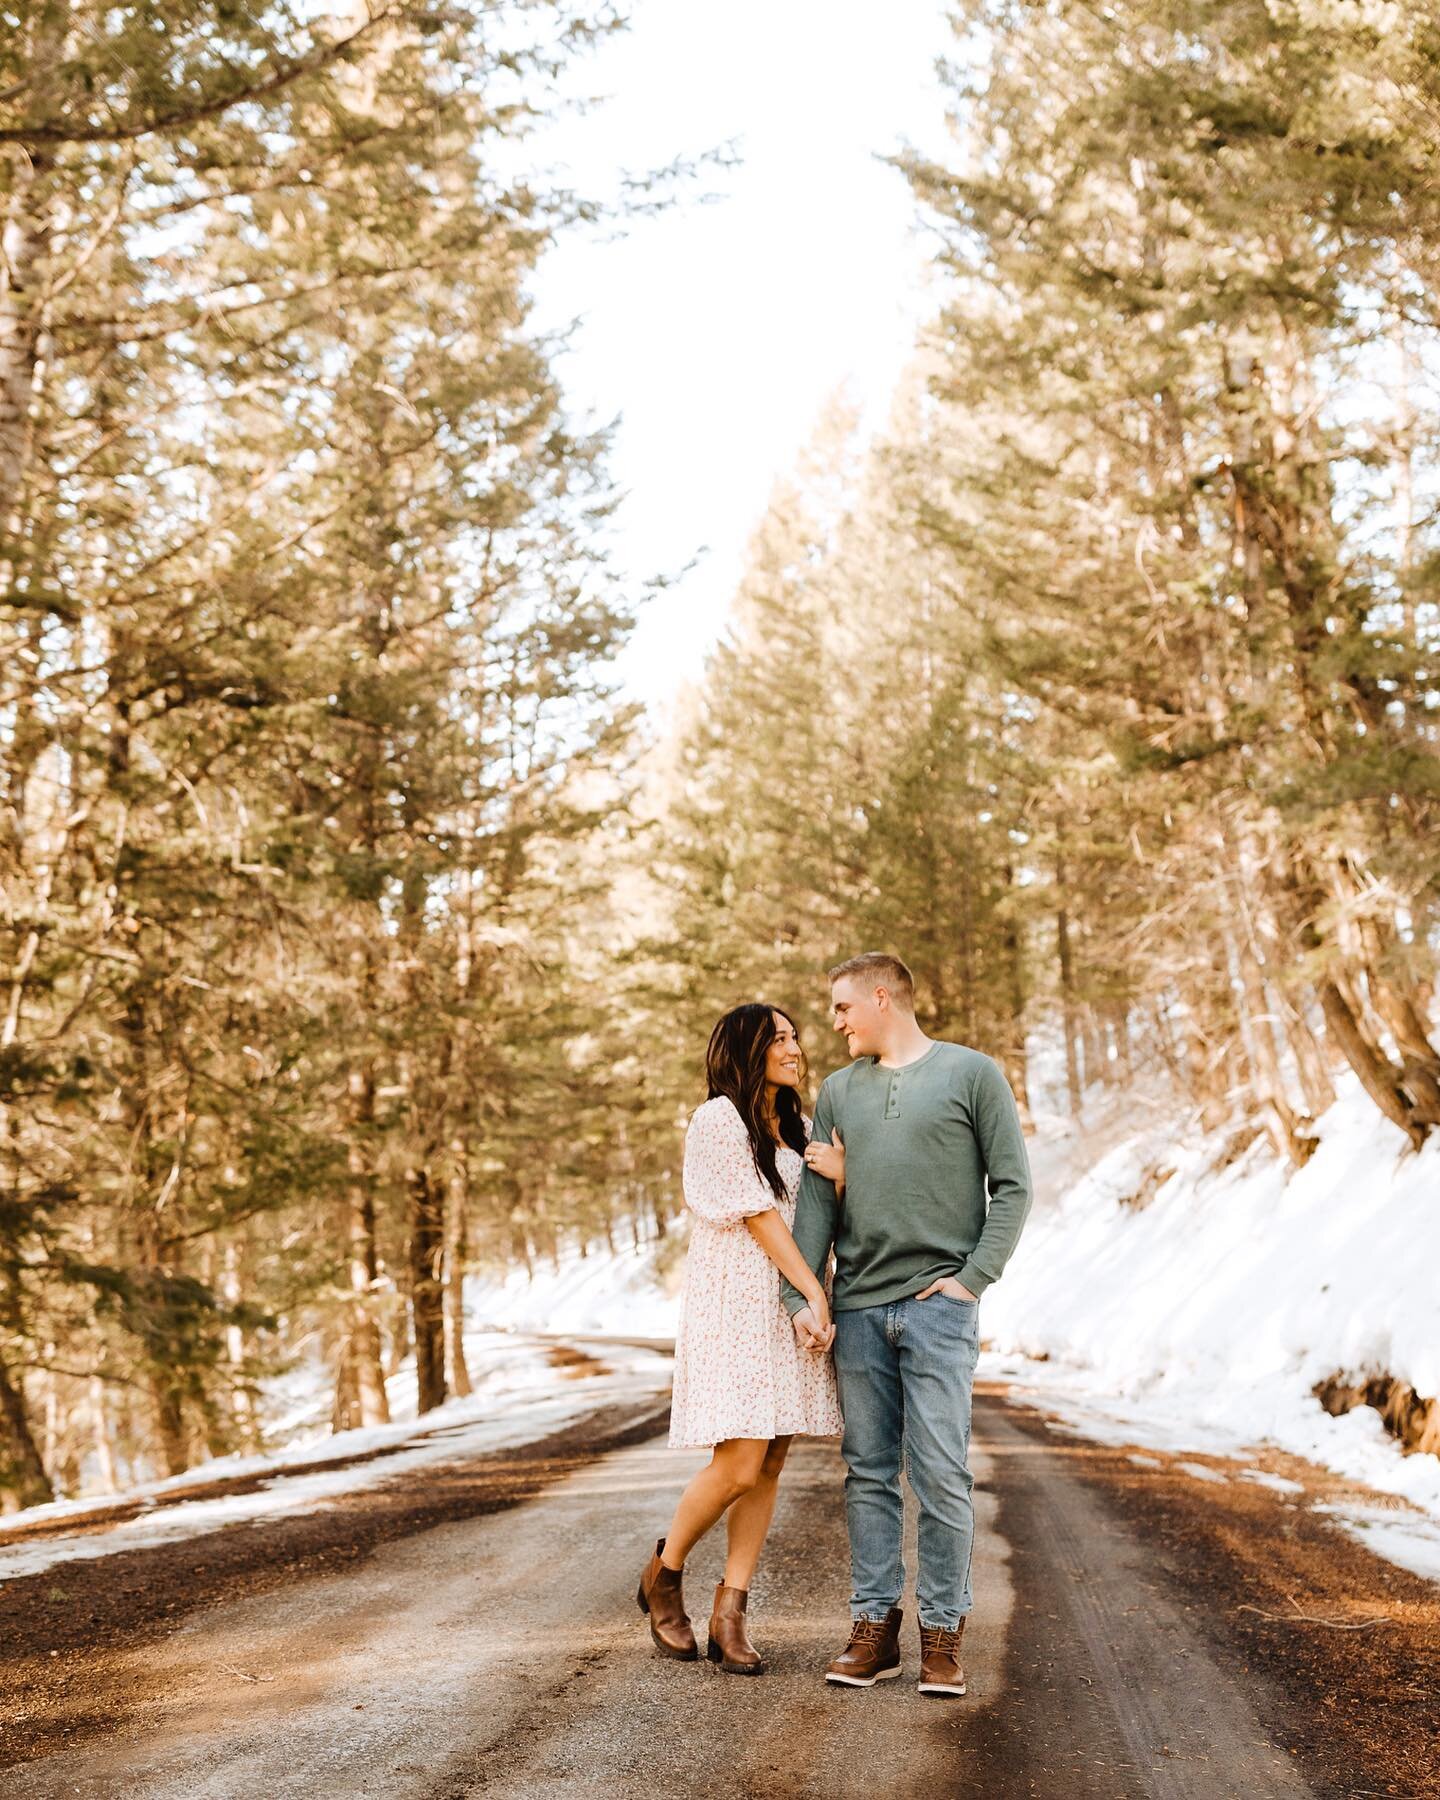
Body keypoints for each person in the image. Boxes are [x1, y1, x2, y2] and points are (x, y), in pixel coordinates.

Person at [784, 952, 1032, 1699]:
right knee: (868, 1473)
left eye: (841, 1008)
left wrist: (970, 1282)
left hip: (938, 1312)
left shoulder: (972, 1075)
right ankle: (873, 1630)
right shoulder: (837, 1092)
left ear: (881, 998)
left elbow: (1013, 1187)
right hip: (859, 1312)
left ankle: (944, 1634)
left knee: (942, 1472)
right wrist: (807, 1299)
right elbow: (818, 1210)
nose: (832, 1024)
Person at [638, 1003, 844, 1675]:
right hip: (737, 1308)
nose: (793, 1047)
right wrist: (811, 1289)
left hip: (790, 1308)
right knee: (738, 1462)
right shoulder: (717, 1120)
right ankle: (665, 1575)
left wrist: (841, 1178)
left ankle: (732, 1609)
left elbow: (820, 1213)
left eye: (794, 1037)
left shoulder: (801, 1126)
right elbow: (757, 1214)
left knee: (773, 1457)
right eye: (778, 1038)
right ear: (746, 1049)